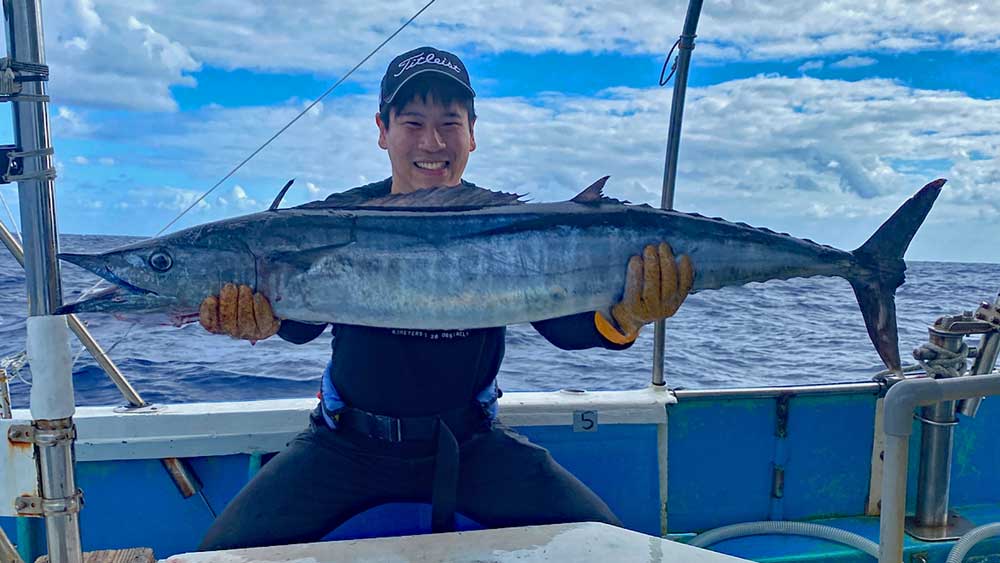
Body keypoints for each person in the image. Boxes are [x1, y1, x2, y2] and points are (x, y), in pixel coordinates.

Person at [198, 46, 694, 550]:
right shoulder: (332, 218)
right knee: (216, 557)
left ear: (472, 133)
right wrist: (257, 317)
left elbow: (566, 328)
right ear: (382, 130)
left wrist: (628, 315)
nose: (431, 141)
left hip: (476, 447)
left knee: (609, 550)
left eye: (449, 123)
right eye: (412, 122)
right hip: (344, 448)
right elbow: (300, 325)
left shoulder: (510, 224)